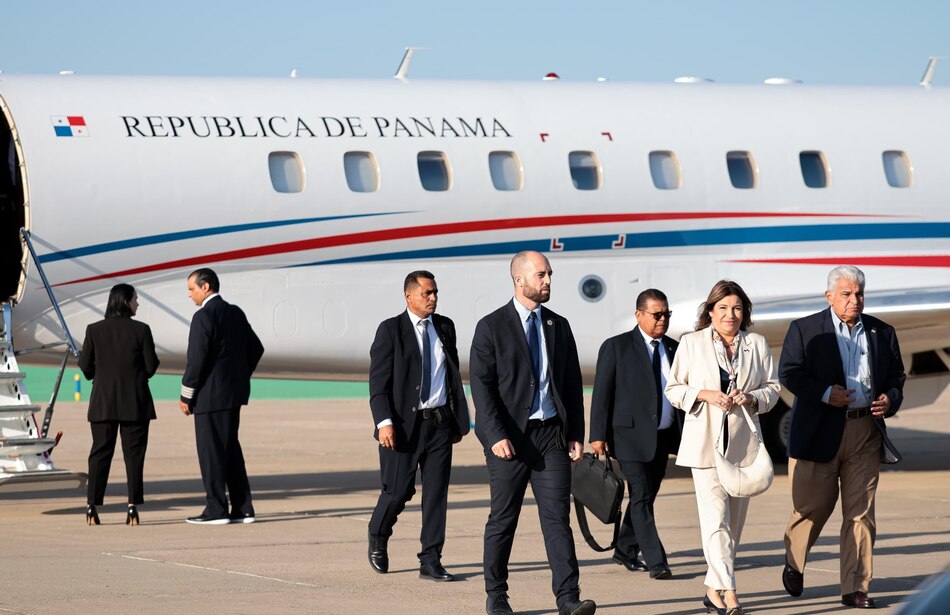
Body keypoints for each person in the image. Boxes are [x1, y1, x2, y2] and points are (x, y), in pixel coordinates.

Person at [470, 251, 595, 615]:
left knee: (557, 519)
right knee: (503, 518)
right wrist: (494, 435)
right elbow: (482, 387)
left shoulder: (559, 325)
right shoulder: (491, 326)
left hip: (550, 437)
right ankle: (497, 595)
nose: (548, 281)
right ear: (519, 279)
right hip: (509, 440)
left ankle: (568, 598)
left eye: (550, 274)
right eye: (541, 275)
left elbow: (571, 384)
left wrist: (575, 433)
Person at [779, 266, 905, 610]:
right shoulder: (804, 329)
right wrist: (823, 393)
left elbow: (896, 375)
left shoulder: (882, 331)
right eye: (847, 294)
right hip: (819, 431)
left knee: (861, 515)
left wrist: (890, 398)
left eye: (859, 294)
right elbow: (789, 373)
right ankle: (794, 559)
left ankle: (855, 587)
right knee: (811, 507)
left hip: (865, 433)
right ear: (829, 296)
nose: (854, 300)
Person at [665, 280, 780, 615]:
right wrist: (705, 395)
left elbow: (773, 388)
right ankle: (729, 591)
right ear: (710, 311)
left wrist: (752, 397)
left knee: (733, 526)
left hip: (743, 444)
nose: (731, 315)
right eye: (723, 308)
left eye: (737, 308)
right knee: (715, 521)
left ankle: (712, 589)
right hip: (705, 444)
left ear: (745, 312)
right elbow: (674, 389)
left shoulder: (756, 344)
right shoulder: (691, 343)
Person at [367, 270, 470, 581]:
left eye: (435, 292)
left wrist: (456, 418)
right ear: (408, 296)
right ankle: (378, 534)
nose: (433, 298)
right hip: (402, 426)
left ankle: (431, 558)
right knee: (398, 491)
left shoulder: (445, 327)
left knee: (436, 494)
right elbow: (378, 383)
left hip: (438, 423)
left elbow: (451, 376)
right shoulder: (390, 330)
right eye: (427, 293)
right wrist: (384, 422)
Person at [589, 288, 679, 580]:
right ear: (639, 315)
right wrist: (597, 435)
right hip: (627, 438)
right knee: (640, 494)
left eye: (666, 314)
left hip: (662, 437)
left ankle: (626, 549)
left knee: (646, 497)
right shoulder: (617, 347)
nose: (662, 319)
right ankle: (656, 560)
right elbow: (602, 393)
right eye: (657, 314)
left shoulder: (674, 348)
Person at [179, 268, 264, 525]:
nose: (190, 295)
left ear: (206, 287)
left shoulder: (203, 316)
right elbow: (256, 348)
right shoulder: (235, 312)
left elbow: (196, 360)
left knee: (211, 452)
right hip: (233, 394)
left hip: (209, 397)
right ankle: (243, 508)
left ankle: (216, 509)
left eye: (192, 289)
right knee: (230, 450)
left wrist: (186, 395)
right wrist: (238, 376)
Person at [78, 283, 159, 526]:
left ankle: (92, 506)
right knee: (134, 456)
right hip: (135, 402)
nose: (137, 303)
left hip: (102, 402)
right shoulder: (141, 330)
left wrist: (98, 374)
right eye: (135, 299)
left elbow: (85, 367)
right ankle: (133, 506)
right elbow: (151, 366)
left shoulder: (94, 330)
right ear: (125, 301)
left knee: (100, 454)